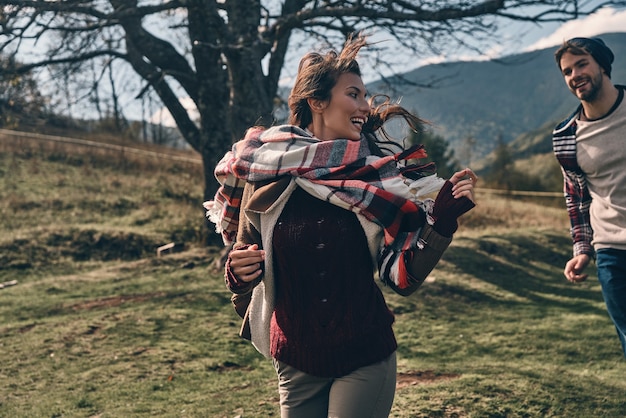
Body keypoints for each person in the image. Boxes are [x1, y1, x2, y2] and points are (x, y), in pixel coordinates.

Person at [205, 34, 477, 417]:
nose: (365, 107)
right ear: (317, 102)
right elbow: (243, 262)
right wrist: (238, 273)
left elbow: (402, 278)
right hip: (294, 360)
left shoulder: (374, 178)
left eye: (366, 96)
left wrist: (442, 224)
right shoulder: (267, 172)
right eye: (354, 95)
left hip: (363, 355)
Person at [553, 37, 626, 358]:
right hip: (612, 251)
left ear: (602, 64)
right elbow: (576, 198)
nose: (574, 75)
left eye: (581, 64)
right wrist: (582, 249)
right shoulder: (566, 135)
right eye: (567, 71)